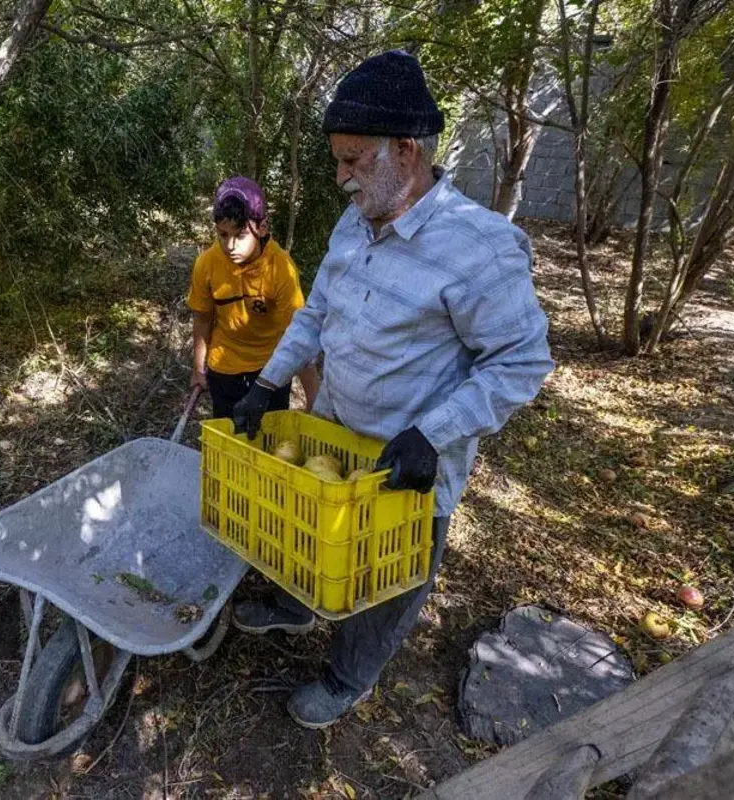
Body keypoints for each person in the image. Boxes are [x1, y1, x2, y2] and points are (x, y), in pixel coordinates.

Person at [230, 51, 554, 729]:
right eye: (338, 160)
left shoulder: (482, 247)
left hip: (405, 465)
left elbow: (521, 363)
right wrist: (269, 381)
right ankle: (296, 605)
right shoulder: (355, 223)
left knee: (386, 580)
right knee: (306, 533)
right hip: (334, 435)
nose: (340, 178)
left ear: (405, 151)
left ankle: (349, 677)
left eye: (352, 160)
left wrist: (429, 435)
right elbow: (316, 314)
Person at [187, 176, 320, 418]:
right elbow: (203, 319)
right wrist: (198, 368)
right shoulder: (206, 264)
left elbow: (298, 333)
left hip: (271, 371)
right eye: (222, 235)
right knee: (229, 442)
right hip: (224, 366)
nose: (230, 246)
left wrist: (313, 396)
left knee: (269, 440)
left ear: (262, 228)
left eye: (239, 236)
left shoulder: (281, 269)